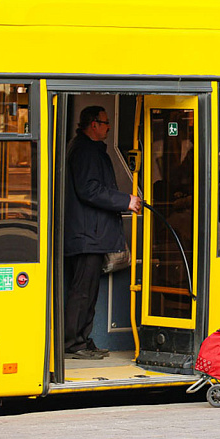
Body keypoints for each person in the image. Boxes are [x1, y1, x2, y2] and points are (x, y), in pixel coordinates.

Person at [64, 106, 141, 359]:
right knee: (83, 292)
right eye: (105, 123)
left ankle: (81, 340)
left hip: (89, 234)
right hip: (87, 235)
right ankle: (74, 343)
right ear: (93, 124)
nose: (109, 127)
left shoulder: (87, 148)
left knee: (87, 291)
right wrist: (125, 200)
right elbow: (89, 190)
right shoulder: (86, 151)